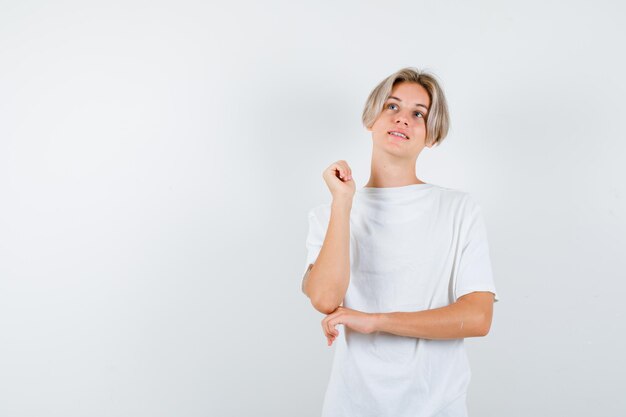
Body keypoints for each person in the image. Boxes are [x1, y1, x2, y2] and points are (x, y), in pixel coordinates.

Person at [301, 67, 500, 417]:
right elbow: (325, 298)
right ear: (371, 119)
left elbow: (478, 317)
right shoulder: (330, 212)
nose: (402, 119)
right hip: (351, 405)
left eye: (417, 114)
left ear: (431, 136)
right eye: (392, 106)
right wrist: (344, 202)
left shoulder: (457, 209)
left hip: (438, 406)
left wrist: (375, 320)